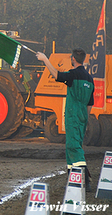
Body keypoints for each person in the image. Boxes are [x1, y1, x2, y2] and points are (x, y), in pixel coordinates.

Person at [37, 48, 94, 191]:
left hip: (73, 116)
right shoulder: (89, 78)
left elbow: (56, 74)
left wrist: (45, 60)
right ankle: (72, 180)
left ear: (73, 59)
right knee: (71, 147)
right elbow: (90, 104)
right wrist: (85, 120)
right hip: (82, 117)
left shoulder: (73, 75)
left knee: (74, 148)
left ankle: (85, 181)